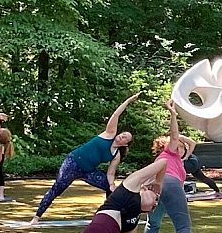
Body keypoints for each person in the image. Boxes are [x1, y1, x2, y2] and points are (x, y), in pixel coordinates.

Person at [29, 93, 140, 225]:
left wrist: (111, 184)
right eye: (122, 134)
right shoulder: (109, 134)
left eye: (125, 138)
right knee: (57, 189)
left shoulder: (116, 155)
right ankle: (36, 216)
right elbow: (116, 115)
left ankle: (109, 216)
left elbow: (111, 173)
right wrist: (128, 101)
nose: (122, 136)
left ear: (126, 143)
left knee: (110, 188)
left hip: (87, 171)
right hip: (73, 163)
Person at [141, 101, 198, 233]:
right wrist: (173, 115)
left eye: (182, 147)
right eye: (179, 146)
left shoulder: (168, 160)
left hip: (158, 188)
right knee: (183, 224)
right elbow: (175, 137)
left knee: (153, 223)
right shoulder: (169, 153)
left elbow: (192, 143)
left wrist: (184, 149)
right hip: (171, 185)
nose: (181, 148)